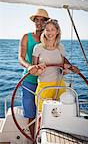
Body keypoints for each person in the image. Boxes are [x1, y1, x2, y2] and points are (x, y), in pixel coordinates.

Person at [32, 19, 80, 112]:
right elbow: (34, 71)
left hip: (60, 85)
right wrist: (39, 71)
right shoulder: (38, 48)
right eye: (47, 30)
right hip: (44, 86)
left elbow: (61, 69)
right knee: (42, 115)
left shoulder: (60, 47)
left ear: (57, 31)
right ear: (44, 31)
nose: (50, 33)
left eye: (52, 29)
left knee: (59, 115)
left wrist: (67, 70)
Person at [18, 8, 49, 139]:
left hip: (46, 81)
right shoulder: (26, 37)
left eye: (43, 20)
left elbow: (57, 53)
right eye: (37, 20)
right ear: (34, 21)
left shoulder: (49, 38)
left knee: (45, 114)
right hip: (29, 81)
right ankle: (33, 141)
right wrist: (29, 66)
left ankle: (43, 139)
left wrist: (68, 65)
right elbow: (20, 57)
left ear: (46, 23)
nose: (39, 23)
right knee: (31, 114)